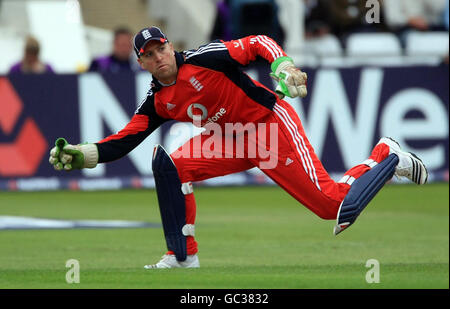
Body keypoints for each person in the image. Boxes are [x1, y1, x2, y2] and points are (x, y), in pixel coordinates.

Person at [49, 26, 428, 269]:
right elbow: (123, 141)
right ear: (141, 62)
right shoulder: (157, 100)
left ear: (169, 46)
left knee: (333, 206)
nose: (158, 56)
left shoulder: (203, 58)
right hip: (228, 141)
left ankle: (386, 154)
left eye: (160, 47)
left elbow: (259, 43)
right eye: (148, 54)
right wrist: (81, 155)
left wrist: (282, 66)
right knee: (170, 163)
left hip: (268, 129)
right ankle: (183, 255)